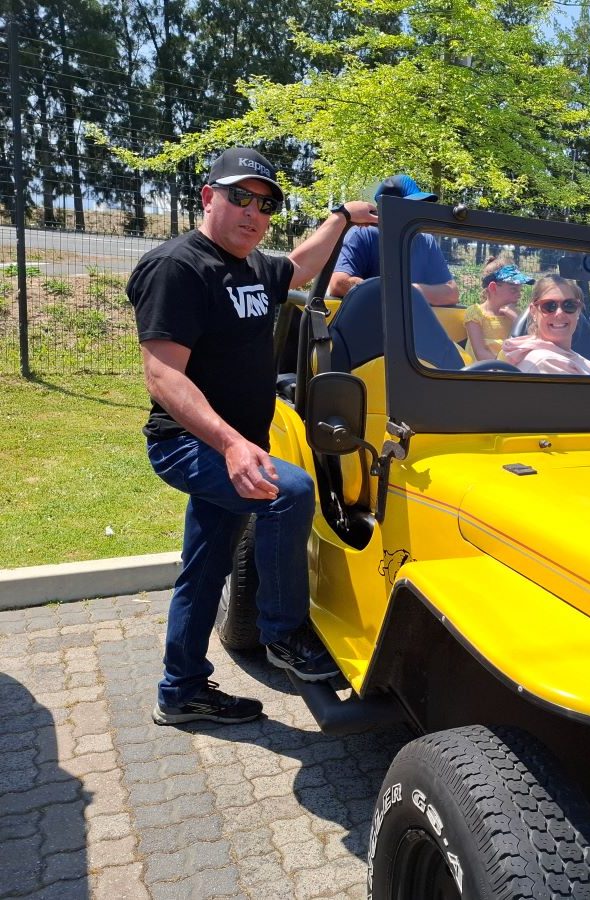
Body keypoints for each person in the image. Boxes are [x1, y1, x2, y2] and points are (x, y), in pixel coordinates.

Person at [127, 147, 377, 726]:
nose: (253, 213)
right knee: (286, 491)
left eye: (264, 204)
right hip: (188, 444)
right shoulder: (178, 267)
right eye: (240, 197)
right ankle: (283, 633)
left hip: (235, 445)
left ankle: (181, 691)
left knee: (204, 567)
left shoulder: (253, 268)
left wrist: (340, 216)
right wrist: (235, 445)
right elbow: (163, 376)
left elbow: (301, 267)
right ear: (208, 196)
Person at [326, 174, 458, 306]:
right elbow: (338, 283)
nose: (417, 212)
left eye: (419, 205)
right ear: (386, 209)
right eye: (409, 206)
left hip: (414, 324)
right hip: (368, 320)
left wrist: (410, 291)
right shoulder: (362, 234)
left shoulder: (426, 241)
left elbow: (451, 293)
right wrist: (397, 292)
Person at [502, 275, 590, 375]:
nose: (559, 313)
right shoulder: (546, 362)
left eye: (569, 305)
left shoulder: (576, 359)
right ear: (533, 312)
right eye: (549, 306)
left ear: (578, 311)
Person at [464, 257, 534, 361]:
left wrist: (517, 320)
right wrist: (503, 369)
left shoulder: (517, 314)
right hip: (483, 370)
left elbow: (532, 340)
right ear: (493, 288)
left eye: (520, 290)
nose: (519, 295)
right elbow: (480, 352)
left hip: (510, 369)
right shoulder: (475, 313)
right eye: (513, 289)